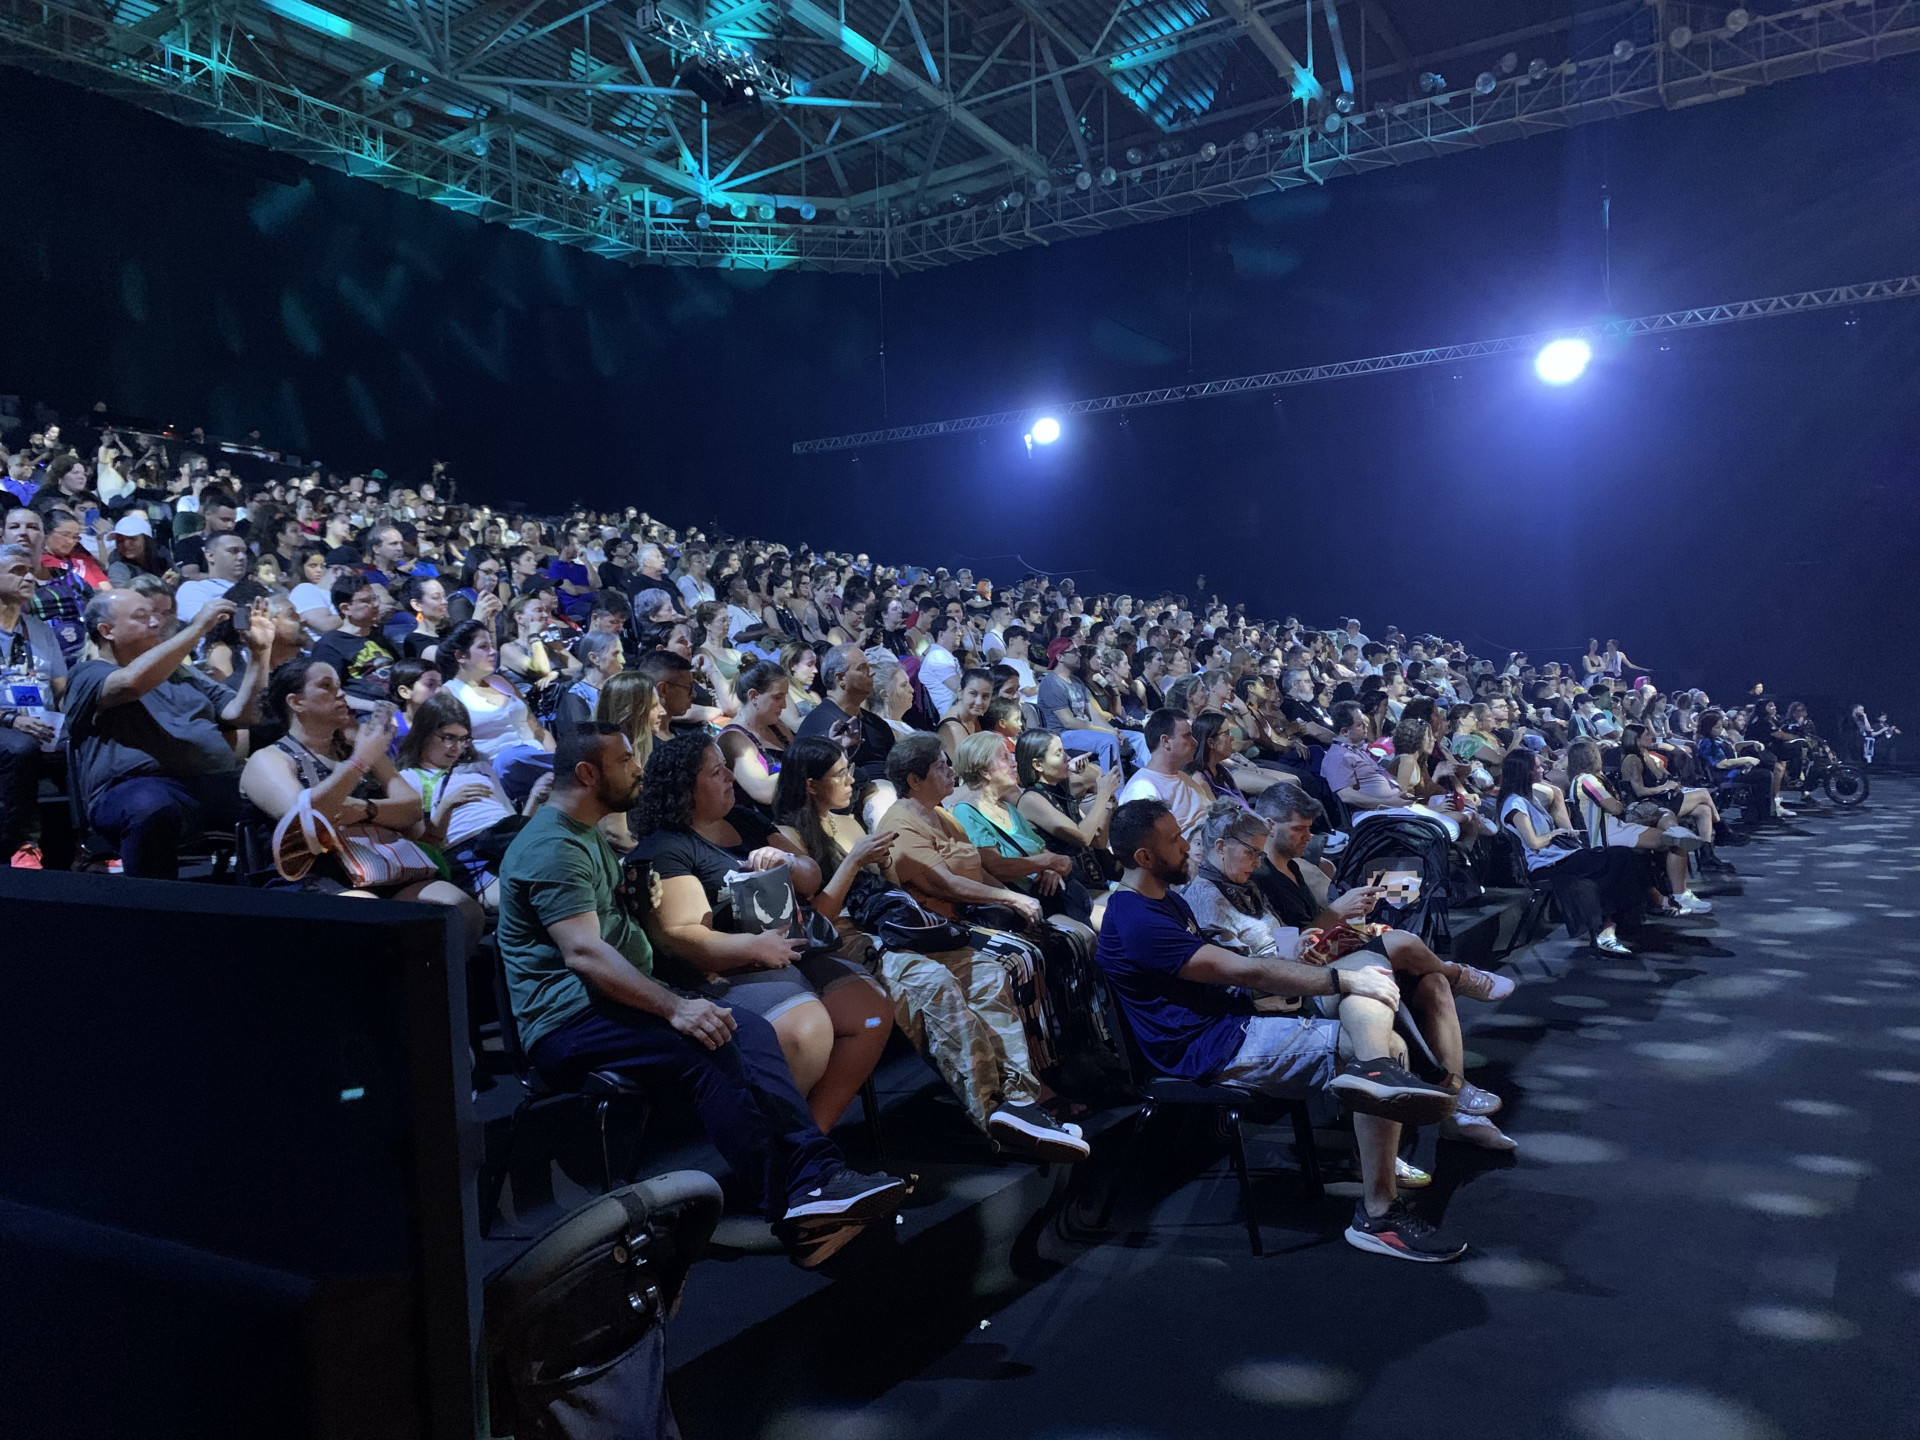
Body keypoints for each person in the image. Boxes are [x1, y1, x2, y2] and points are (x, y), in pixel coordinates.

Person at [497, 723, 906, 1266]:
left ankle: (818, 1176)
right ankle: (795, 1203)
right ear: (588, 774)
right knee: (715, 1043)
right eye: (625, 760)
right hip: (569, 1018)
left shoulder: (586, 831)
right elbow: (585, 955)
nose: (638, 767)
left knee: (746, 1029)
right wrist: (676, 1004)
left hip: (607, 1000)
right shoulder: (552, 846)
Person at [1097, 798, 1468, 1261]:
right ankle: (1378, 1214)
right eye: (1175, 841)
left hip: (1235, 1023)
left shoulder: (1163, 899)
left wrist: (1342, 970)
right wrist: (1339, 978)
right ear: (1144, 858)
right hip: (1216, 1048)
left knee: (1369, 970)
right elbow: (1245, 971)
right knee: (1381, 1027)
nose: (1188, 847)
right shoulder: (1137, 920)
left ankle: (1376, 1071)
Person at [773, 735, 1085, 1160]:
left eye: (849, 770)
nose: (852, 780)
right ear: (811, 784)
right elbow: (818, 920)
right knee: (933, 982)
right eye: (841, 774)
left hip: (897, 928)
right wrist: (854, 862)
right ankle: (991, 1111)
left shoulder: (847, 821)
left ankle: (1022, 1100)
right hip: (846, 942)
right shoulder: (787, 837)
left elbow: (893, 888)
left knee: (987, 973)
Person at [1184, 799, 1516, 1153]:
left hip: (1301, 974)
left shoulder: (1248, 883)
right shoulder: (1207, 897)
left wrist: (1303, 943)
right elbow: (1243, 970)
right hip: (1281, 997)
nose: (1256, 860)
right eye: (1252, 852)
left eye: (1259, 853)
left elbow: (1278, 942)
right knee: (1392, 955)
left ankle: (1455, 1115)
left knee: (1423, 982)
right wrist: (1320, 929)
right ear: (1220, 847)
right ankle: (1453, 1027)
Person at [628, 731, 893, 1134]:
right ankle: (781, 1150)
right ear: (685, 790)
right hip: (727, 972)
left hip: (787, 951)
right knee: (807, 1028)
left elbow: (811, 877)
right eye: (717, 772)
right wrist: (755, 946)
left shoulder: (744, 819)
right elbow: (684, 937)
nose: (731, 778)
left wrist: (785, 859)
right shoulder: (669, 848)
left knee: (871, 1011)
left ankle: (812, 1138)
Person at [873, 733, 1091, 1161]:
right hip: (933, 930)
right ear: (915, 779)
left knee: (1053, 944)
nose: (950, 771)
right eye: (940, 766)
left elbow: (976, 871)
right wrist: (1010, 898)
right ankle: (1032, 1090)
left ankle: (1053, 1071)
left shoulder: (942, 814)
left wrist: (1015, 900)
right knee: (1020, 958)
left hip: (968, 916)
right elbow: (946, 883)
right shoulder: (901, 822)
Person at [237, 660, 483, 930]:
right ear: (296, 702)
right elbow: (304, 818)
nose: (340, 694)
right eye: (326, 687)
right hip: (309, 875)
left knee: (461, 910)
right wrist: (359, 763)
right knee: (368, 913)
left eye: (340, 686)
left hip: (375, 866)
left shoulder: (358, 749)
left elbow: (411, 808)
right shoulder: (269, 759)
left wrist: (365, 809)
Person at [64, 590, 275, 877]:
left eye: (155, 615)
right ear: (106, 631)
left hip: (212, 784)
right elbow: (130, 683)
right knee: (150, 806)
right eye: (141, 617)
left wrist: (260, 654)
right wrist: (198, 628)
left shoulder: (181, 672)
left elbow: (243, 714)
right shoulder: (89, 673)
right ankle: (153, 910)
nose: (155, 623)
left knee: (281, 802)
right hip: (133, 789)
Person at [393, 690, 553, 908]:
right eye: (449, 738)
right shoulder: (408, 779)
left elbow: (513, 822)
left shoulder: (480, 768)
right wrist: (447, 806)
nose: (457, 747)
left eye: (463, 739)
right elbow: (424, 851)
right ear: (424, 733)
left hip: (510, 840)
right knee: (537, 893)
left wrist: (535, 798)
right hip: (470, 855)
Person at [1498, 748, 1643, 955]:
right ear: (1526, 772)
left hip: (1560, 857)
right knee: (1619, 857)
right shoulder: (1515, 804)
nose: (1542, 769)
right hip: (1546, 865)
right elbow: (1534, 843)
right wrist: (1556, 833)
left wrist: (1566, 833)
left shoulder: (1530, 797)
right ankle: (1611, 925)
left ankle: (1609, 926)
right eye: (1538, 766)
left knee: (1621, 857)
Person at [949, 731, 1087, 923]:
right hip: (1028, 910)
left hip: (1057, 895)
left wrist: (1051, 870)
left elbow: (1040, 847)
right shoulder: (966, 813)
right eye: (1005, 758)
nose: (1014, 763)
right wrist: (1047, 862)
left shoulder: (1007, 807)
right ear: (984, 771)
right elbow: (996, 867)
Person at [1563, 738, 1713, 915]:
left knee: (1667, 824)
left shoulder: (1576, 780)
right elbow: (1615, 807)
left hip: (1610, 829)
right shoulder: (1587, 780)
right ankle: (1681, 895)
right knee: (1675, 840)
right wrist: (1617, 802)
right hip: (1607, 834)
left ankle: (1672, 886)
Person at [0, 543, 68, 866]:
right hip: (6, 725)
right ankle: (19, 842)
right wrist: (12, 718)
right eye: (17, 571)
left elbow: (61, 690)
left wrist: (71, 721)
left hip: (39, 723)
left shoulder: (41, 631)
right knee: (20, 748)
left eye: (30, 571)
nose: (29, 577)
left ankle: (87, 845)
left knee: (87, 741)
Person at [439, 618, 555, 803]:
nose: (493, 652)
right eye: (484, 647)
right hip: (498, 768)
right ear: (461, 656)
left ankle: (564, 771)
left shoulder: (501, 682)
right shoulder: (449, 692)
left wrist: (555, 756)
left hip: (536, 760)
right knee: (510, 758)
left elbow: (537, 728)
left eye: (491, 646)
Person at [795, 644, 898, 827]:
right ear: (840, 678)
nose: (871, 673)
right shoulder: (819, 723)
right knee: (883, 796)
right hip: (862, 802)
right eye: (862, 668)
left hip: (895, 792)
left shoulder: (877, 724)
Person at [1116, 709, 1214, 845]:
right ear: (1166, 741)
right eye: (1187, 736)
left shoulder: (1183, 777)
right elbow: (1156, 846)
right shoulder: (1142, 790)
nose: (1195, 742)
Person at [308, 577, 402, 708]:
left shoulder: (380, 638)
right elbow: (327, 692)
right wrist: (374, 707)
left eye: (375, 599)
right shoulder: (329, 645)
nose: (375, 605)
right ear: (346, 608)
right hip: (365, 714)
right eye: (366, 601)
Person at [717, 659, 790, 817]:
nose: (784, 705)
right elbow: (764, 792)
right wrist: (807, 763)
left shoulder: (781, 730)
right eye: (778, 697)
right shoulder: (733, 739)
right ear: (753, 696)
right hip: (765, 827)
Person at [935, 667, 995, 761]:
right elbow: (965, 770)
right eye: (973, 694)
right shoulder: (953, 728)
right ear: (960, 693)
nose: (979, 702)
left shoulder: (975, 717)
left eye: (985, 696)